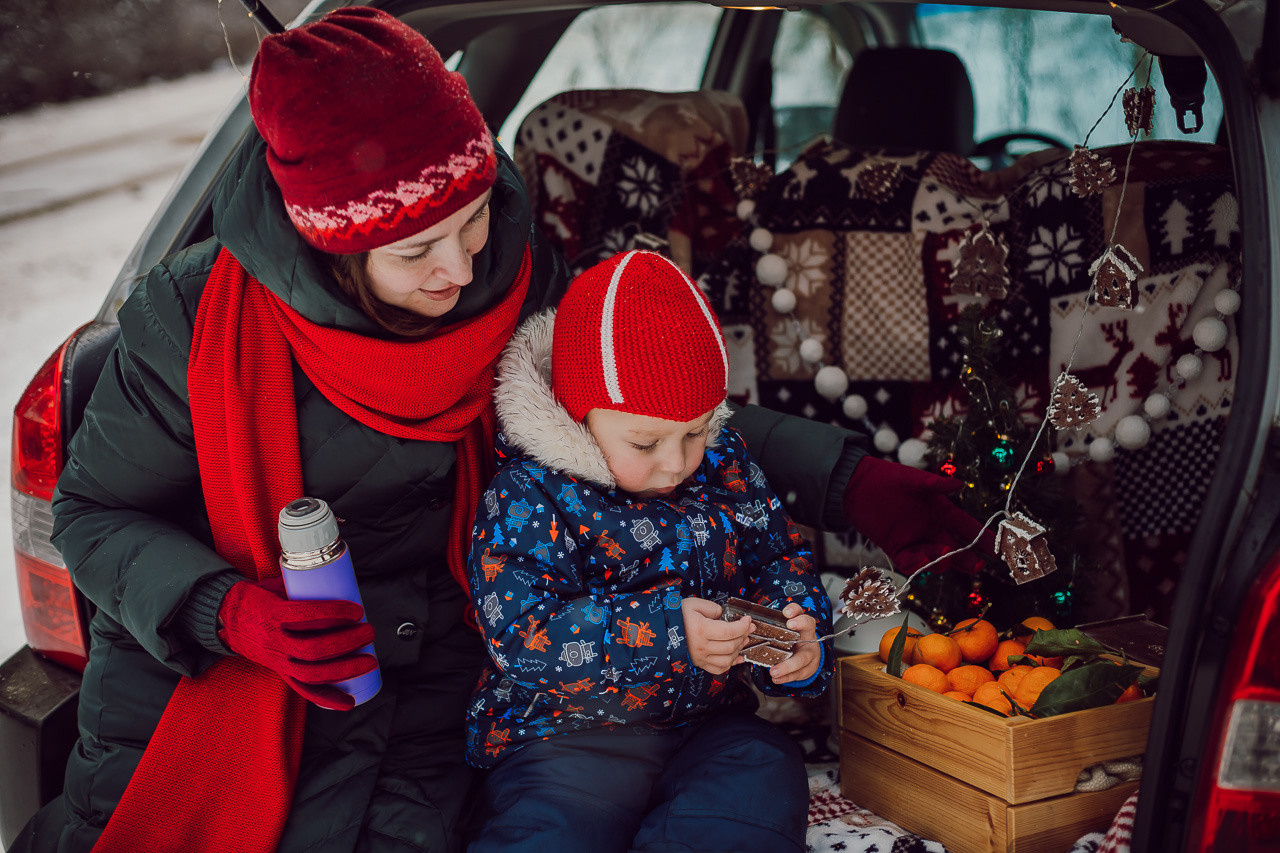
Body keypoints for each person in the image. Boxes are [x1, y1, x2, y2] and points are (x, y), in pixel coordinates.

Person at [13, 8, 991, 853]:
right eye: (415, 249)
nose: (459, 267)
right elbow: (94, 516)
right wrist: (226, 610)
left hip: (430, 720)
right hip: (230, 691)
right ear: (328, 242)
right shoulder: (194, 325)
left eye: (475, 216)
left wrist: (845, 480)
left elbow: (643, 417)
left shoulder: (519, 275)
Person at [464, 250, 831, 852]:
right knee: (551, 830)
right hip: (567, 737)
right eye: (645, 441)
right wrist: (664, 634)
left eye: (696, 430)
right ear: (580, 417)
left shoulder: (725, 463)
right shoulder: (530, 492)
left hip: (707, 726)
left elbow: (779, 560)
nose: (676, 462)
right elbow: (522, 632)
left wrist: (795, 641)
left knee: (763, 765)